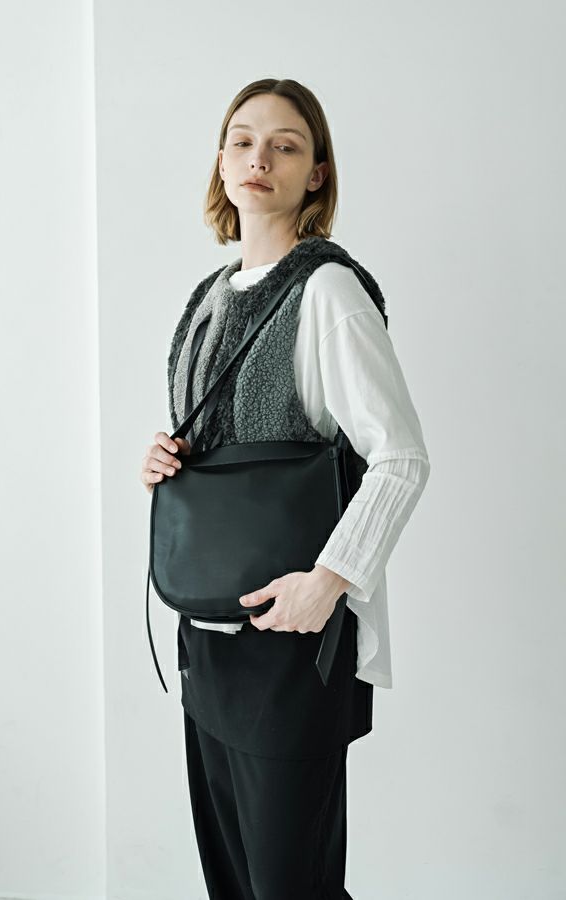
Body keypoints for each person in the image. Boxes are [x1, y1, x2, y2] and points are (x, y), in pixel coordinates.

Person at [140, 77, 431, 900]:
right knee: (235, 883)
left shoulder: (328, 291)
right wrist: (168, 458)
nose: (258, 158)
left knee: (290, 886)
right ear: (221, 163)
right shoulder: (205, 301)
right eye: (242, 141)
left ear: (316, 174)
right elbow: (226, 455)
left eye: (285, 145)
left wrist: (328, 582)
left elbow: (401, 456)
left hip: (292, 640)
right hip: (206, 637)